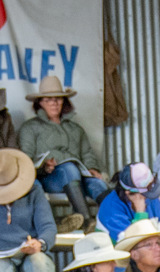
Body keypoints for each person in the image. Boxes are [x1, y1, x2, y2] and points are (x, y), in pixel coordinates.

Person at [18, 74, 106, 226]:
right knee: (68, 169)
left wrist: (92, 168)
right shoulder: (30, 128)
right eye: (48, 100)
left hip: (78, 177)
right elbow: (26, 160)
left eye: (58, 99)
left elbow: (87, 153)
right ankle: (86, 220)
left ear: (64, 101)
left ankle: (118, 222)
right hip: (50, 178)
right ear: (40, 103)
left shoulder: (75, 129)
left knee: (99, 184)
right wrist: (43, 167)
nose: (54, 103)